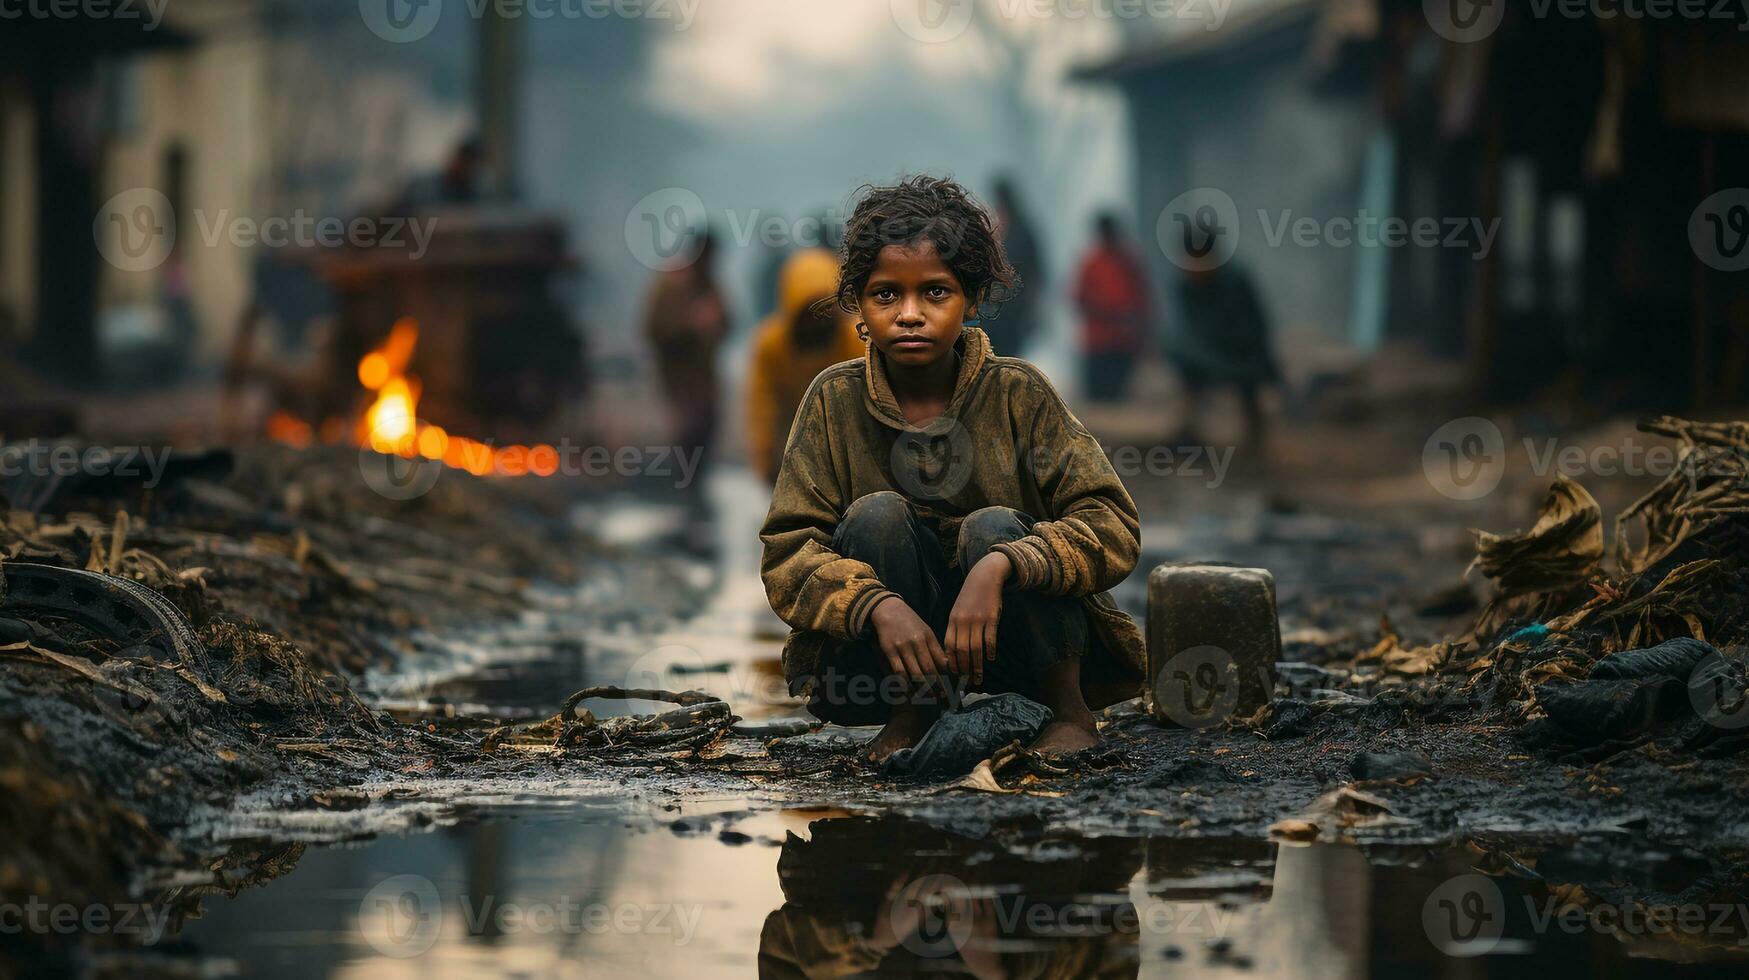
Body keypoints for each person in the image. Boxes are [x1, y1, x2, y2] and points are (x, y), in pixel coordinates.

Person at [759, 176, 1144, 764]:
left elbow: (1112, 524)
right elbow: (788, 551)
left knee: (992, 528)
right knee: (876, 516)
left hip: (1015, 636)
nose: (910, 315)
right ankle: (914, 715)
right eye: (886, 295)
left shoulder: (1019, 393)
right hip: (896, 650)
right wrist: (874, 604)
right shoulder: (833, 402)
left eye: (935, 293)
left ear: (972, 297)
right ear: (857, 302)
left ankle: (1067, 711)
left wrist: (1004, 563)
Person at [746, 248, 865, 485]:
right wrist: (766, 457)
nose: (819, 319)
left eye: (826, 308)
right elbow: (763, 405)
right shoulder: (771, 345)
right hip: (792, 447)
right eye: (810, 310)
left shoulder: (857, 340)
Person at [643, 231, 730, 506]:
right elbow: (653, 327)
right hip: (678, 375)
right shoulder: (672, 282)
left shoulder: (710, 284)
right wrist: (689, 328)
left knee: (706, 427)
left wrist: (714, 326)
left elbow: (728, 320)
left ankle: (695, 494)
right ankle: (681, 493)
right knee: (687, 430)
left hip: (704, 375)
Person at [1170, 240, 1280, 447]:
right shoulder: (1186, 285)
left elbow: (1254, 326)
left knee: (1249, 383)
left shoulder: (1235, 281)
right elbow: (1190, 329)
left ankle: (1255, 439)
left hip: (1242, 352)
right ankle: (1189, 430)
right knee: (1185, 364)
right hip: (1206, 353)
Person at [1073, 212, 1151, 403]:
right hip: (1099, 343)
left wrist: (1138, 330)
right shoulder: (1092, 263)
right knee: (1098, 400)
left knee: (1120, 399)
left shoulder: (1128, 263)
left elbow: (1142, 302)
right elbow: (1080, 299)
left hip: (1122, 343)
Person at [988, 177, 1045, 357]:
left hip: (1011, 305)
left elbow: (1035, 272)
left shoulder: (1012, 229)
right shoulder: (1016, 228)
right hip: (1006, 305)